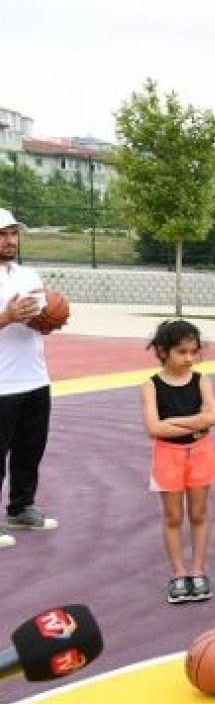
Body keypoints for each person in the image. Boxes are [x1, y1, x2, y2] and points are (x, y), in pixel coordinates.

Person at [140, 320, 215, 603]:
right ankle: (178, 574)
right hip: (168, 455)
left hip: (201, 452)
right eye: (182, 352)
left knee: (198, 513)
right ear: (163, 351)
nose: (189, 358)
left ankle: (198, 571)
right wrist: (195, 422)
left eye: (194, 352)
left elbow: (212, 418)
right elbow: (154, 429)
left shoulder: (202, 380)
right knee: (173, 516)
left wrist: (175, 421)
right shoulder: (150, 386)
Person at [0, 207, 59, 550]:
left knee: (29, 449)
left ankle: (21, 507)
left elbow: (42, 322)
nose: (9, 240)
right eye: (2, 234)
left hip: (34, 377)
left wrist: (50, 319)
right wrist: (6, 316)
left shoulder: (29, 276)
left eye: (13, 233)